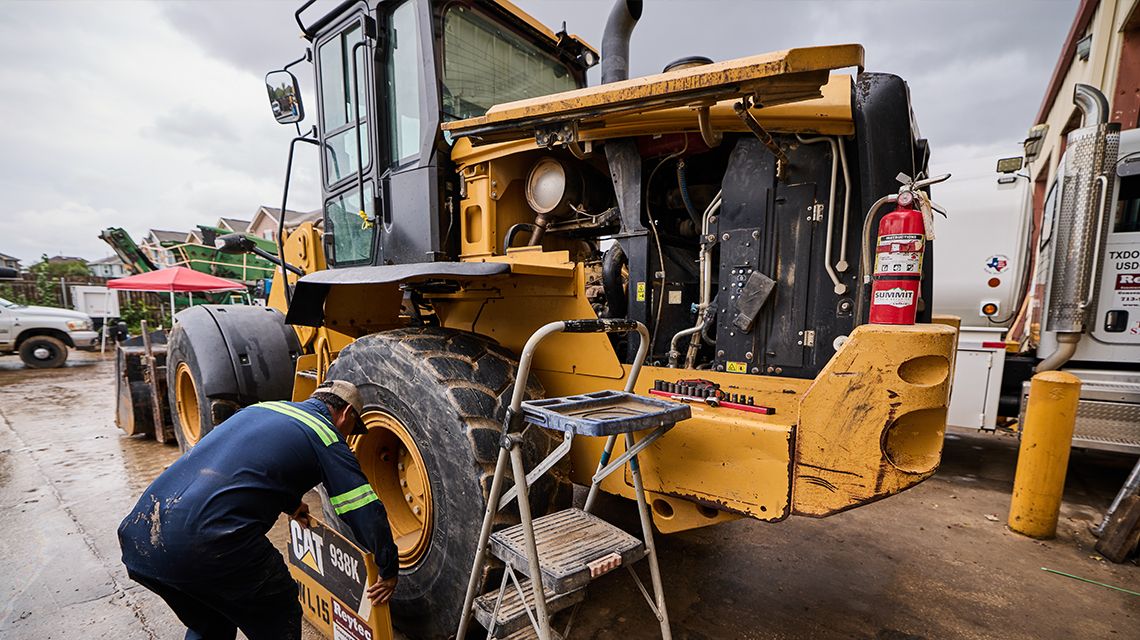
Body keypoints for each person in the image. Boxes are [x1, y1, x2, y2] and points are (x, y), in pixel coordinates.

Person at [118, 380, 398, 640]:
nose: (349, 436)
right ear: (346, 413)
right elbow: (363, 508)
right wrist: (388, 568)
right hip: (207, 544)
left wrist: (291, 504)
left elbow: (242, 467)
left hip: (142, 539)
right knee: (277, 608)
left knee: (212, 619)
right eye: (352, 428)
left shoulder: (261, 410)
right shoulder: (326, 435)